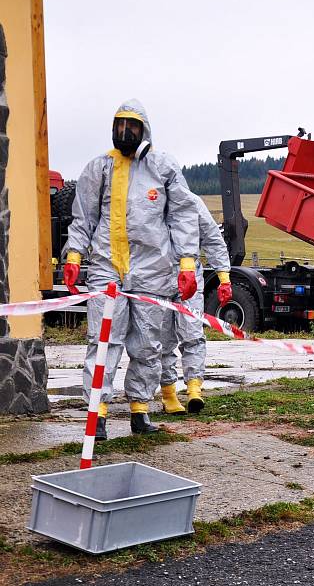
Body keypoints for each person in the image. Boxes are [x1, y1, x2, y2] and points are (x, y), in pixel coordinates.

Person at [65, 99, 199, 439]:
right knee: (103, 342)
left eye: (132, 126)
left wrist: (186, 262)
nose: (125, 133)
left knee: (148, 344)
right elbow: (83, 217)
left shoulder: (163, 167)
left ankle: (140, 410)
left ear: (144, 130)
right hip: (107, 270)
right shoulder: (98, 169)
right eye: (119, 126)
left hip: (152, 273)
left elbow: (183, 216)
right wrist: (74, 256)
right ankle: (98, 413)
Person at [160, 193, 232, 415]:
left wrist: (224, 276)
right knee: (162, 339)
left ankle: (194, 389)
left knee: (193, 333)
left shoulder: (192, 202)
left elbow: (212, 238)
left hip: (190, 278)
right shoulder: (149, 201)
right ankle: (169, 393)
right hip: (155, 278)